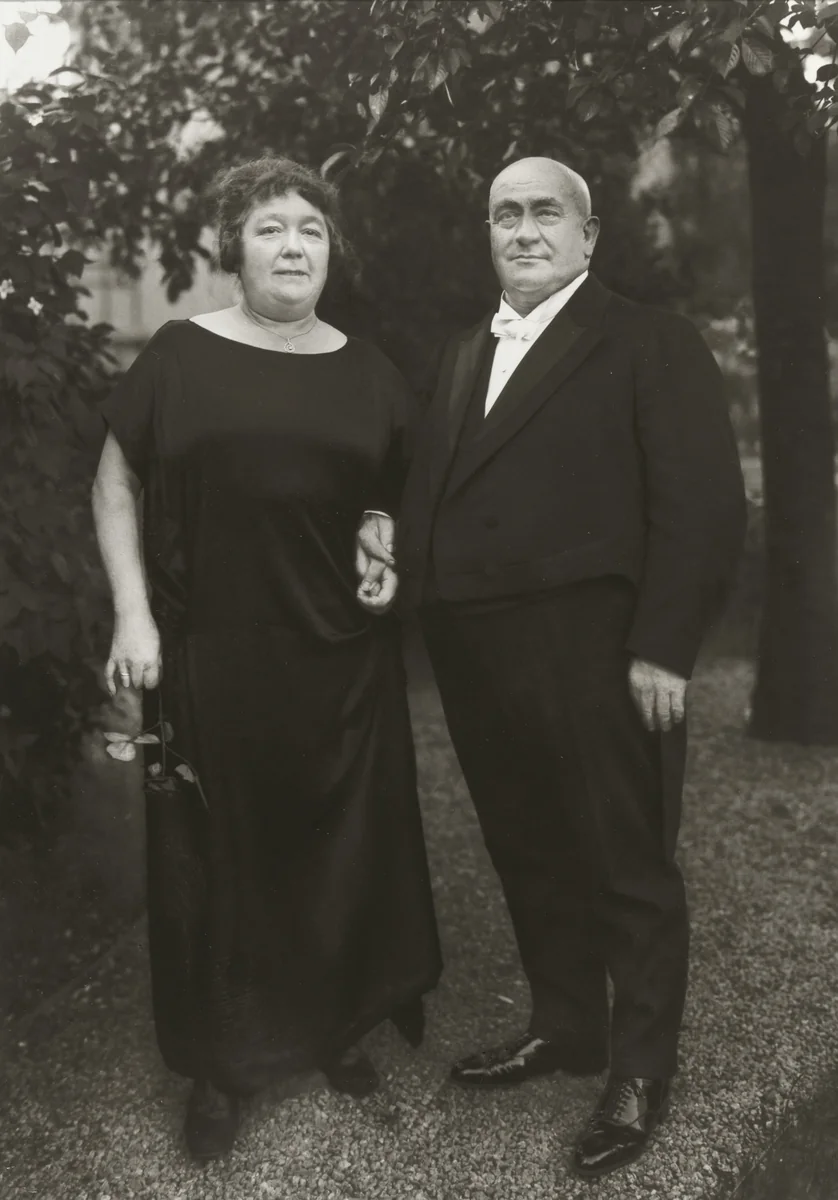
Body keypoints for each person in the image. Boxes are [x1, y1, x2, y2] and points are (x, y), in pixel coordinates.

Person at [359, 156, 746, 1179]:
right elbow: (432, 485)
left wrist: (664, 644)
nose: (522, 230)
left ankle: (638, 1069)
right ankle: (566, 1026)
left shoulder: (647, 341)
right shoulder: (460, 353)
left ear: (587, 236)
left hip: (599, 651)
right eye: (504, 215)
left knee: (625, 861)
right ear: (487, 233)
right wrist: (390, 546)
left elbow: (702, 506)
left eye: (544, 213)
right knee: (529, 850)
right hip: (478, 656)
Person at [92, 156, 441, 1162]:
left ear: (333, 252)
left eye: (310, 231)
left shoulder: (371, 371)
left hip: (339, 660)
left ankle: (329, 1025)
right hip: (212, 653)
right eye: (269, 229)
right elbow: (114, 487)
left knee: (337, 849)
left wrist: (380, 549)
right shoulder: (178, 356)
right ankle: (221, 1066)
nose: (292, 247)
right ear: (232, 248)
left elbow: (389, 495)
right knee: (217, 859)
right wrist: (133, 615)